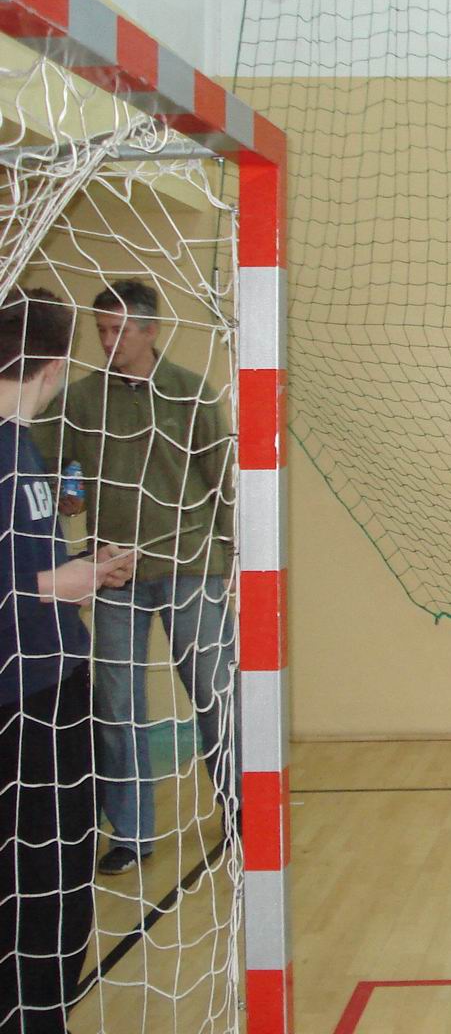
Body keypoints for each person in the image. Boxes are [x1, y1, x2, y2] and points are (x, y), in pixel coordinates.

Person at [33, 280, 237, 877]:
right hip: (114, 573)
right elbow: (47, 463)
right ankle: (132, 833)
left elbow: (223, 483)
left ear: (151, 331)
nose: (108, 341)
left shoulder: (192, 393)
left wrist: (236, 561)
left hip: (192, 568)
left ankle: (242, 810)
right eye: (101, 330)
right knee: (117, 705)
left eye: (119, 330)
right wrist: (70, 488)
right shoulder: (81, 399)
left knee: (214, 695)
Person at [1, 288, 133, 1034]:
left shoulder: (24, 445)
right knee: (42, 876)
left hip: (52, 676)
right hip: (25, 696)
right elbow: (22, 583)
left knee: (57, 873)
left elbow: (28, 566)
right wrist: (64, 582)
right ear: (54, 366)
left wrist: (82, 568)